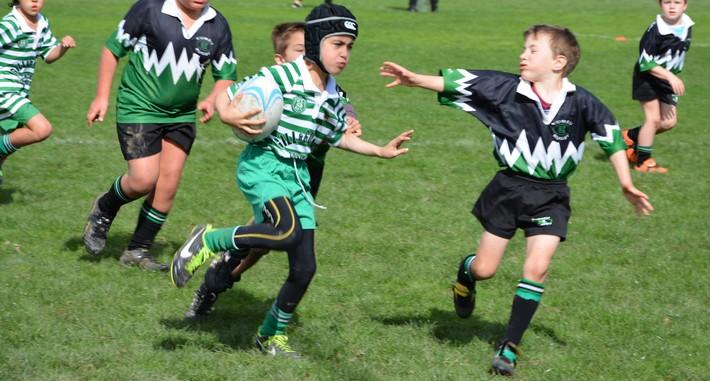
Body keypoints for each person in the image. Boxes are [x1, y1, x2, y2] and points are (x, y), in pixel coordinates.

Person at [380, 24, 653, 376]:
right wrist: (414, 78)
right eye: (524, 48)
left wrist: (626, 183)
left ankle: (509, 346)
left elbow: (612, 138)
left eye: (532, 49)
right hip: (508, 190)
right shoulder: (506, 88)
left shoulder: (582, 101)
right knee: (485, 269)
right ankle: (467, 273)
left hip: (552, 196)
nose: (523, 55)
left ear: (559, 61)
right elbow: (457, 82)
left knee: (537, 269)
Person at [171, 3, 413, 358]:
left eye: (350, 46)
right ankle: (208, 240)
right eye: (338, 44)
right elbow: (228, 94)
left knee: (304, 268)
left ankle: (270, 336)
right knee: (285, 230)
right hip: (264, 165)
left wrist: (378, 150)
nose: (345, 54)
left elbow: (336, 137)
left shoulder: (335, 95)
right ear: (315, 42)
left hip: (297, 175)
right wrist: (226, 113)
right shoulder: (281, 77)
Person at [183, 21, 362, 320]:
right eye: (301, 50)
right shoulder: (275, 86)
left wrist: (352, 120)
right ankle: (215, 281)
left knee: (265, 242)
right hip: (273, 167)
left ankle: (223, 272)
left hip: (305, 174)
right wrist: (228, 113)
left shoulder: (326, 87)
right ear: (281, 59)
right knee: (273, 234)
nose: (309, 55)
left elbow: (342, 105)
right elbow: (233, 95)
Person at [82, 0, 236, 271]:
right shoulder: (150, 9)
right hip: (139, 107)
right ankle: (105, 207)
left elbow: (226, 74)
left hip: (182, 115)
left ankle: (137, 251)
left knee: (167, 184)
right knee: (143, 180)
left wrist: (213, 98)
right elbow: (112, 49)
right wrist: (100, 97)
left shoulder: (217, 24)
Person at [0, 0, 75, 185]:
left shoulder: (42, 22)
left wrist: (62, 47)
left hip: (20, 90)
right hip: (5, 89)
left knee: (10, 136)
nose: (35, 1)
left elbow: (48, 54)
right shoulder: (10, 24)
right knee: (42, 129)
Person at [622, 0, 693, 173]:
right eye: (667, 2)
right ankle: (643, 162)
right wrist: (670, 76)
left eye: (677, 2)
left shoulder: (687, 25)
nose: (672, 6)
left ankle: (629, 136)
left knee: (668, 122)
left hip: (667, 80)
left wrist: (672, 75)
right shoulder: (656, 29)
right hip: (648, 77)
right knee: (652, 120)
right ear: (660, 5)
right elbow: (645, 62)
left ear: (685, 5)